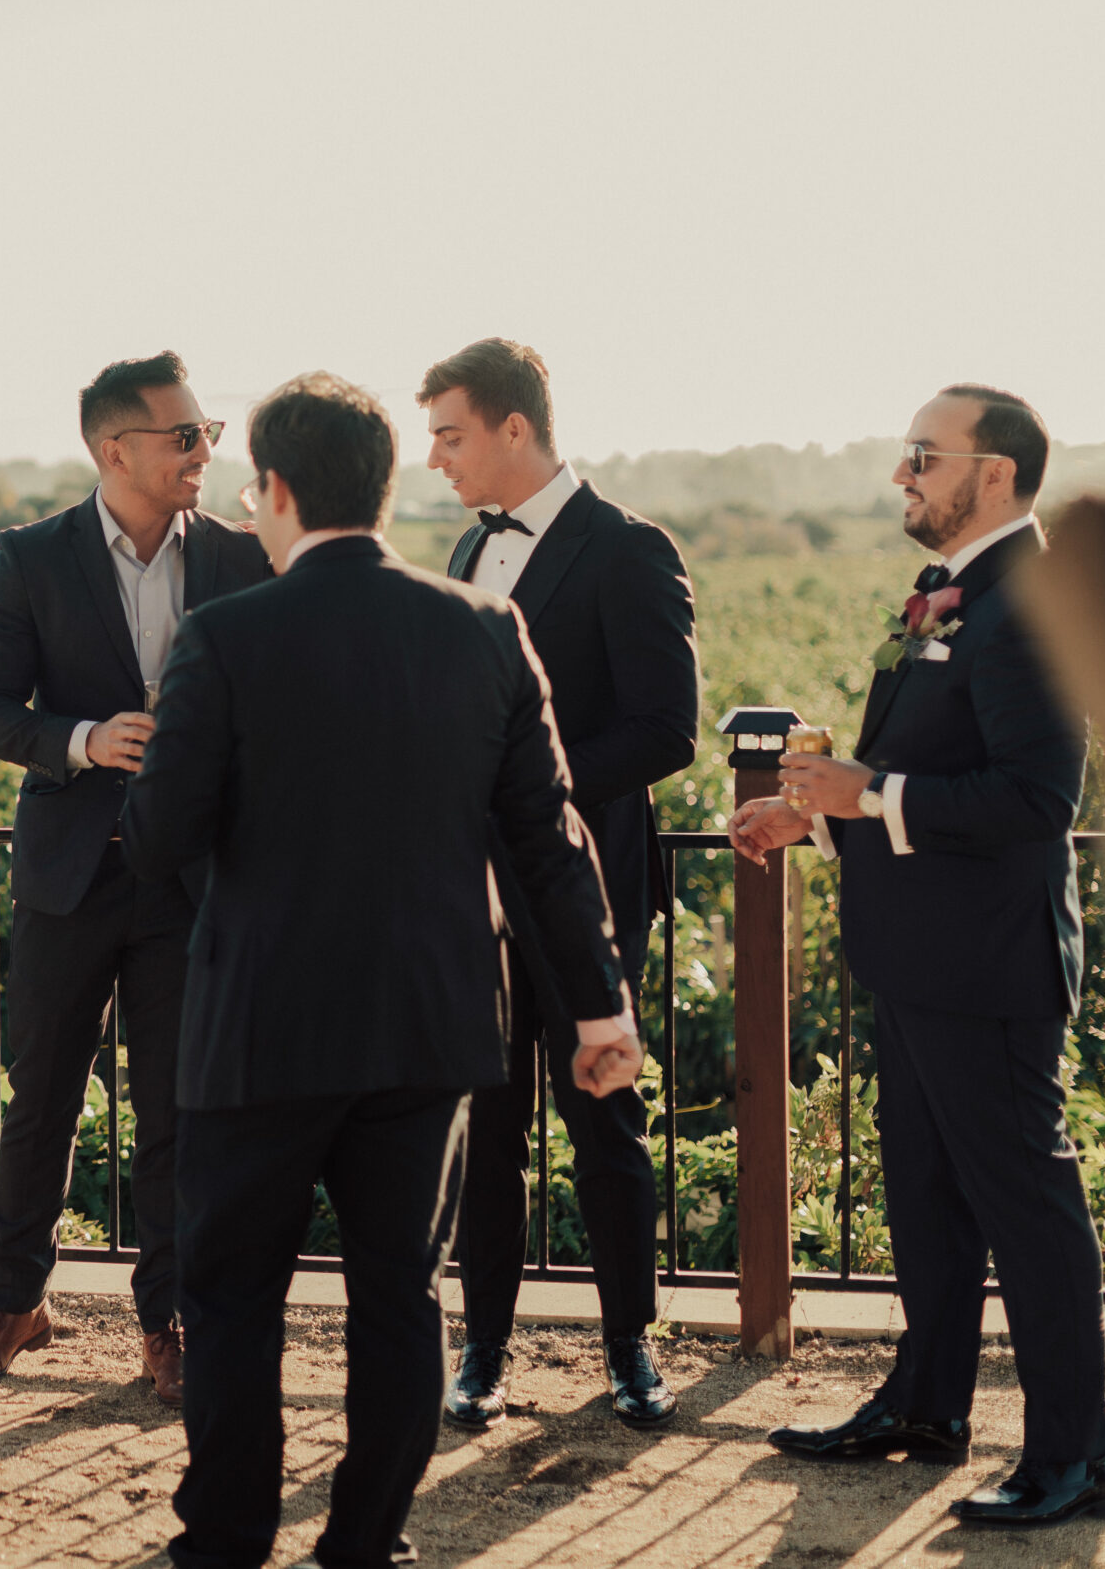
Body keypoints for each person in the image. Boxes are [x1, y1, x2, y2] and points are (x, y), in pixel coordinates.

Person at [123, 370, 641, 1569]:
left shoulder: (223, 637)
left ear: (278, 492)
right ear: (388, 486)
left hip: (259, 1025)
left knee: (238, 1298)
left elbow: (157, 841)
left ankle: (228, 1539)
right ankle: (364, 1542)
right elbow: (548, 839)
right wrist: (600, 1006)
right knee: (398, 1299)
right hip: (427, 1024)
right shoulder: (482, 629)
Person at [736, 386, 1105, 1527]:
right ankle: (926, 1405)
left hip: (990, 967)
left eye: (921, 456)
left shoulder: (1035, 602)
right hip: (914, 958)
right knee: (926, 1201)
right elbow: (918, 767)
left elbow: (1038, 799)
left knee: (1027, 1207)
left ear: (992, 474)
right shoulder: (947, 599)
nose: (901, 476)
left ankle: (1072, 1457)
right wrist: (822, 811)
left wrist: (878, 793)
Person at [0, 351, 270, 1404]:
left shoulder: (241, 556)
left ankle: (167, 1324)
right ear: (112, 448)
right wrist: (85, 739)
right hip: (69, 878)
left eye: (207, 433)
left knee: (178, 1111)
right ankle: (13, 1306)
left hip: (190, 886)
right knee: (39, 1099)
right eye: (185, 436)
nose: (203, 453)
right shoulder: (29, 557)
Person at [419, 338, 699, 1431]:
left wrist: (533, 788)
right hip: (472, 901)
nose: (436, 457)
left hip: (584, 890)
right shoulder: (461, 553)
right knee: (485, 1134)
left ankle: (630, 1348)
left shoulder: (627, 548)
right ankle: (482, 1350)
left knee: (605, 1127)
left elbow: (665, 729)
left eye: (449, 434)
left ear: (512, 430)